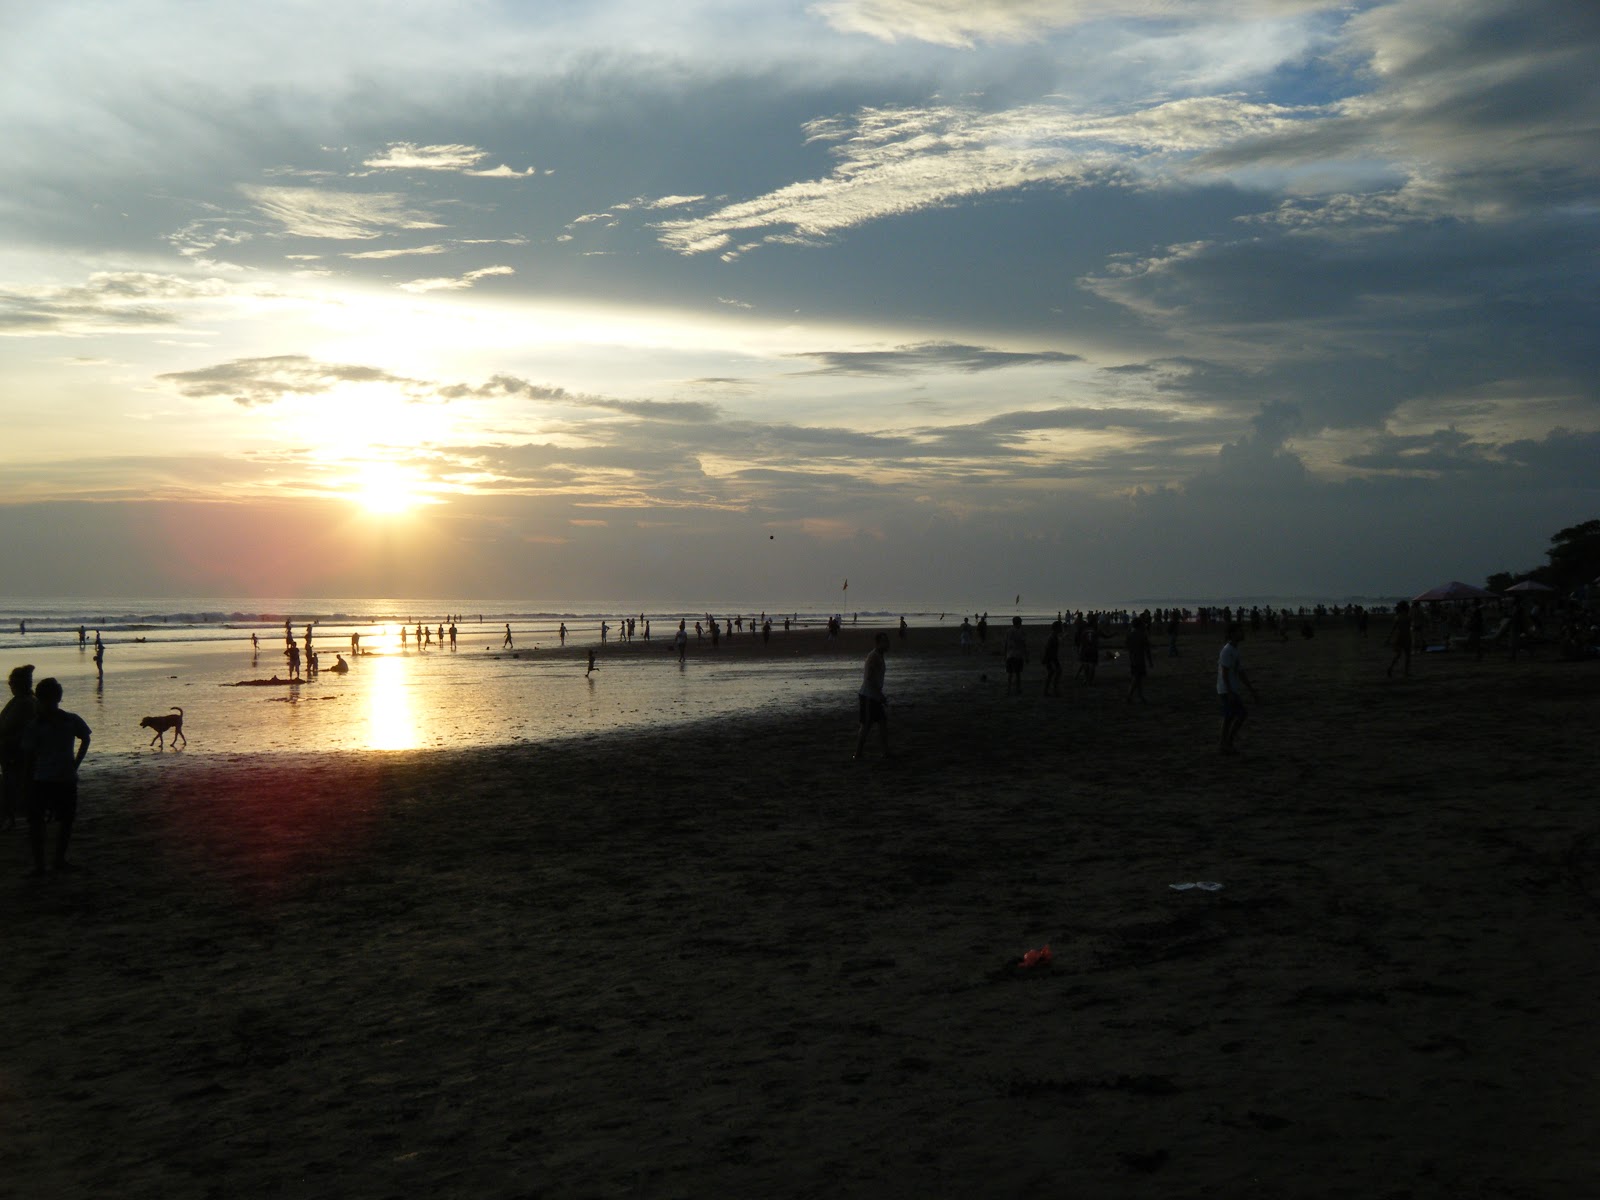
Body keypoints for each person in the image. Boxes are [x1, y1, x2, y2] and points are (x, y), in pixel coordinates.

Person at [24, 677, 90, 876]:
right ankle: (52, 862)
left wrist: (75, 764)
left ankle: (44, 864)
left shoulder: (38, 725)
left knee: (46, 823)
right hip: (54, 778)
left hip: (47, 779)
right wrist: (75, 763)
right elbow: (85, 738)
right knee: (59, 822)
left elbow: (28, 755)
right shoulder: (67, 720)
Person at [2, 664, 37, 831]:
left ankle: (10, 818)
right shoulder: (24, 700)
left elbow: (7, 727)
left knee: (11, 786)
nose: (9, 685)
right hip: (14, 751)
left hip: (16, 752)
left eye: (11, 682)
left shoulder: (24, 702)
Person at [1217, 624, 1257, 756]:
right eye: (1240, 631)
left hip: (1230, 689)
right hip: (1226, 690)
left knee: (1230, 717)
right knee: (1240, 714)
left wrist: (1250, 688)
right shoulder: (1227, 650)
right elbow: (1224, 673)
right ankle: (1227, 743)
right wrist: (1229, 692)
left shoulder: (1234, 650)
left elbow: (1240, 672)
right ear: (1233, 633)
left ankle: (1225, 744)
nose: (1243, 633)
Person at [853, 632, 891, 760]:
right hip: (868, 696)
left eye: (887, 641)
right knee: (866, 726)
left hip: (874, 696)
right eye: (884, 642)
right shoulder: (873, 656)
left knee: (882, 723)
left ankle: (885, 753)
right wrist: (880, 695)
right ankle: (858, 753)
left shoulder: (880, 656)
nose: (887, 644)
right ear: (877, 643)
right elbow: (869, 678)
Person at [1126, 615, 1153, 703]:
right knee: (1136, 678)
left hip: (1132, 659)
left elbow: (1126, 647)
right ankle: (1129, 696)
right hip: (1139, 660)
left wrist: (1115, 656)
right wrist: (1150, 661)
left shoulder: (1130, 634)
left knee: (1138, 678)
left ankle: (1140, 696)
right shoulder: (1142, 635)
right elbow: (1147, 650)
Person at [1386, 601, 1412, 678]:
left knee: (1398, 655)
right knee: (1407, 656)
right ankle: (1406, 672)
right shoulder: (1408, 617)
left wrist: (1388, 638)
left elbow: (1393, 629)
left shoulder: (1398, 617)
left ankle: (1391, 667)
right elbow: (1409, 627)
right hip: (1407, 637)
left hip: (1399, 637)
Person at [1002, 616, 1028, 695]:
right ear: (1019, 623)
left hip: (1010, 655)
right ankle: (1018, 689)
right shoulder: (1021, 632)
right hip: (1018, 655)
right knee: (1017, 673)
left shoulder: (1008, 631)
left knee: (1010, 673)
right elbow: (1023, 644)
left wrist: (1005, 654)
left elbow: (1006, 644)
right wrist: (1026, 655)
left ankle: (1009, 689)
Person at [1041, 620, 1063, 695]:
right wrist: (1046, 659)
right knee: (1055, 672)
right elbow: (1048, 648)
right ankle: (1053, 690)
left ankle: (1048, 690)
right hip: (1051, 657)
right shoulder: (1053, 637)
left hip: (1052, 657)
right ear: (1057, 628)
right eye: (1060, 627)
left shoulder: (1054, 636)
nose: (1062, 629)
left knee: (1052, 673)